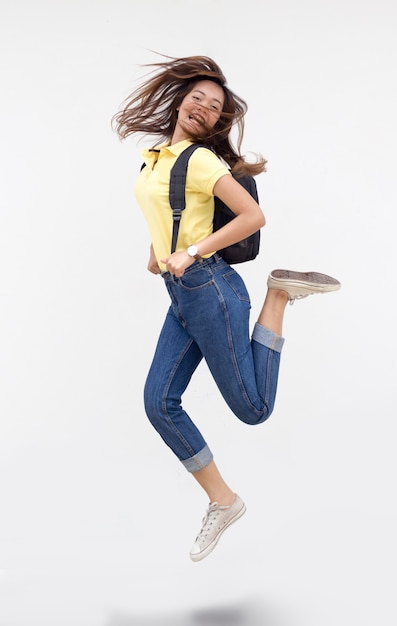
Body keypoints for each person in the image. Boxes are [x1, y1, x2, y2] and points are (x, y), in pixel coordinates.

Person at [112, 55, 341, 562]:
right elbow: (168, 212)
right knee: (158, 403)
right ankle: (224, 500)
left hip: (212, 289)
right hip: (182, 296)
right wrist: (160, 252)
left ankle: (278, 293)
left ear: (217, 123)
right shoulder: (155, 158)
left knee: (253, 410)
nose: (203, 107)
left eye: (214, 106)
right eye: (197, 97)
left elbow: (253, 215)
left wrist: (190, 251)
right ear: (180, 101)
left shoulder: (199, 159)